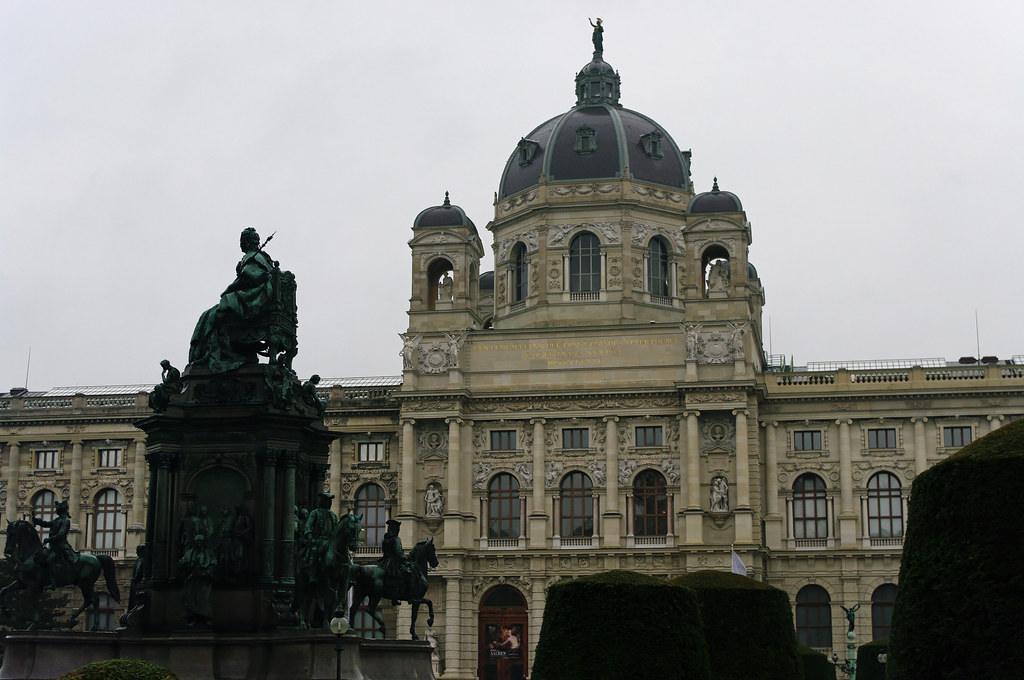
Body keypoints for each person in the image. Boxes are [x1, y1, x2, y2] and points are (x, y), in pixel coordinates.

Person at [189, 227, 278, 373]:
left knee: (213, 315)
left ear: (246, 242)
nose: (240, 244)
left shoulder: (252, 256)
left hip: (254, 299)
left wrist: (228, 289)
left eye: (241, 241)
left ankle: (219, 356)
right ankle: (227, 353)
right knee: (211, 313)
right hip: (260, 298)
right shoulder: (263, 257)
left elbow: (248, 277)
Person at [32, 500, 77, 588]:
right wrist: (36, 520)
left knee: (50, 560)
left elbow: (61, 534)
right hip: (53, 546)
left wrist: (49, 539)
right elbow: (45, 524)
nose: (56, 510)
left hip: (61, 546)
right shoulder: (57, 520)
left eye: (57, 509)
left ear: (61, 510)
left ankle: (53, 583)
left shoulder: (65, 521)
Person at [303, 492, 338, 583]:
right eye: (327, 501)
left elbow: (336, 530)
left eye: (330, 501)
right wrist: (311, 538)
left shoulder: (333, 515)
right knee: (315, 553)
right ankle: (312, 575)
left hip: (329, 542)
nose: (329, 503)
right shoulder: (315, 513)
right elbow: (308, 527)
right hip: (318, 540)